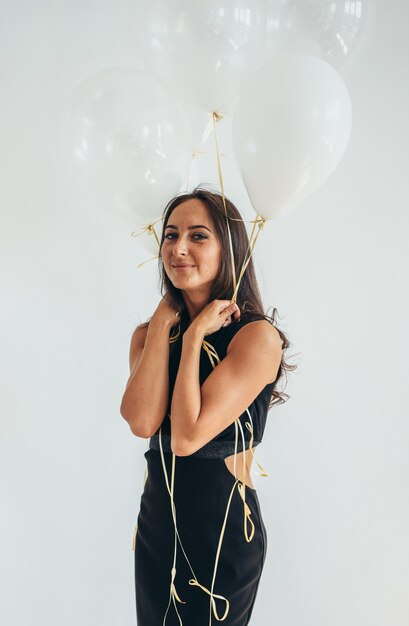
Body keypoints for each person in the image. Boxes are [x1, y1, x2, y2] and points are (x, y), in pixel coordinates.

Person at [120, 187, 295, 625]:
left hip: (222, 527)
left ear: (228, 248)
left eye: (198, 236)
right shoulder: (150, 334)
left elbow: (187, 436)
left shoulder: (256, 338)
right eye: (171, 235)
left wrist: (196, 335)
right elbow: (142, 423)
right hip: (159, 522)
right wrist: (164, 322)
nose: (179, 248)